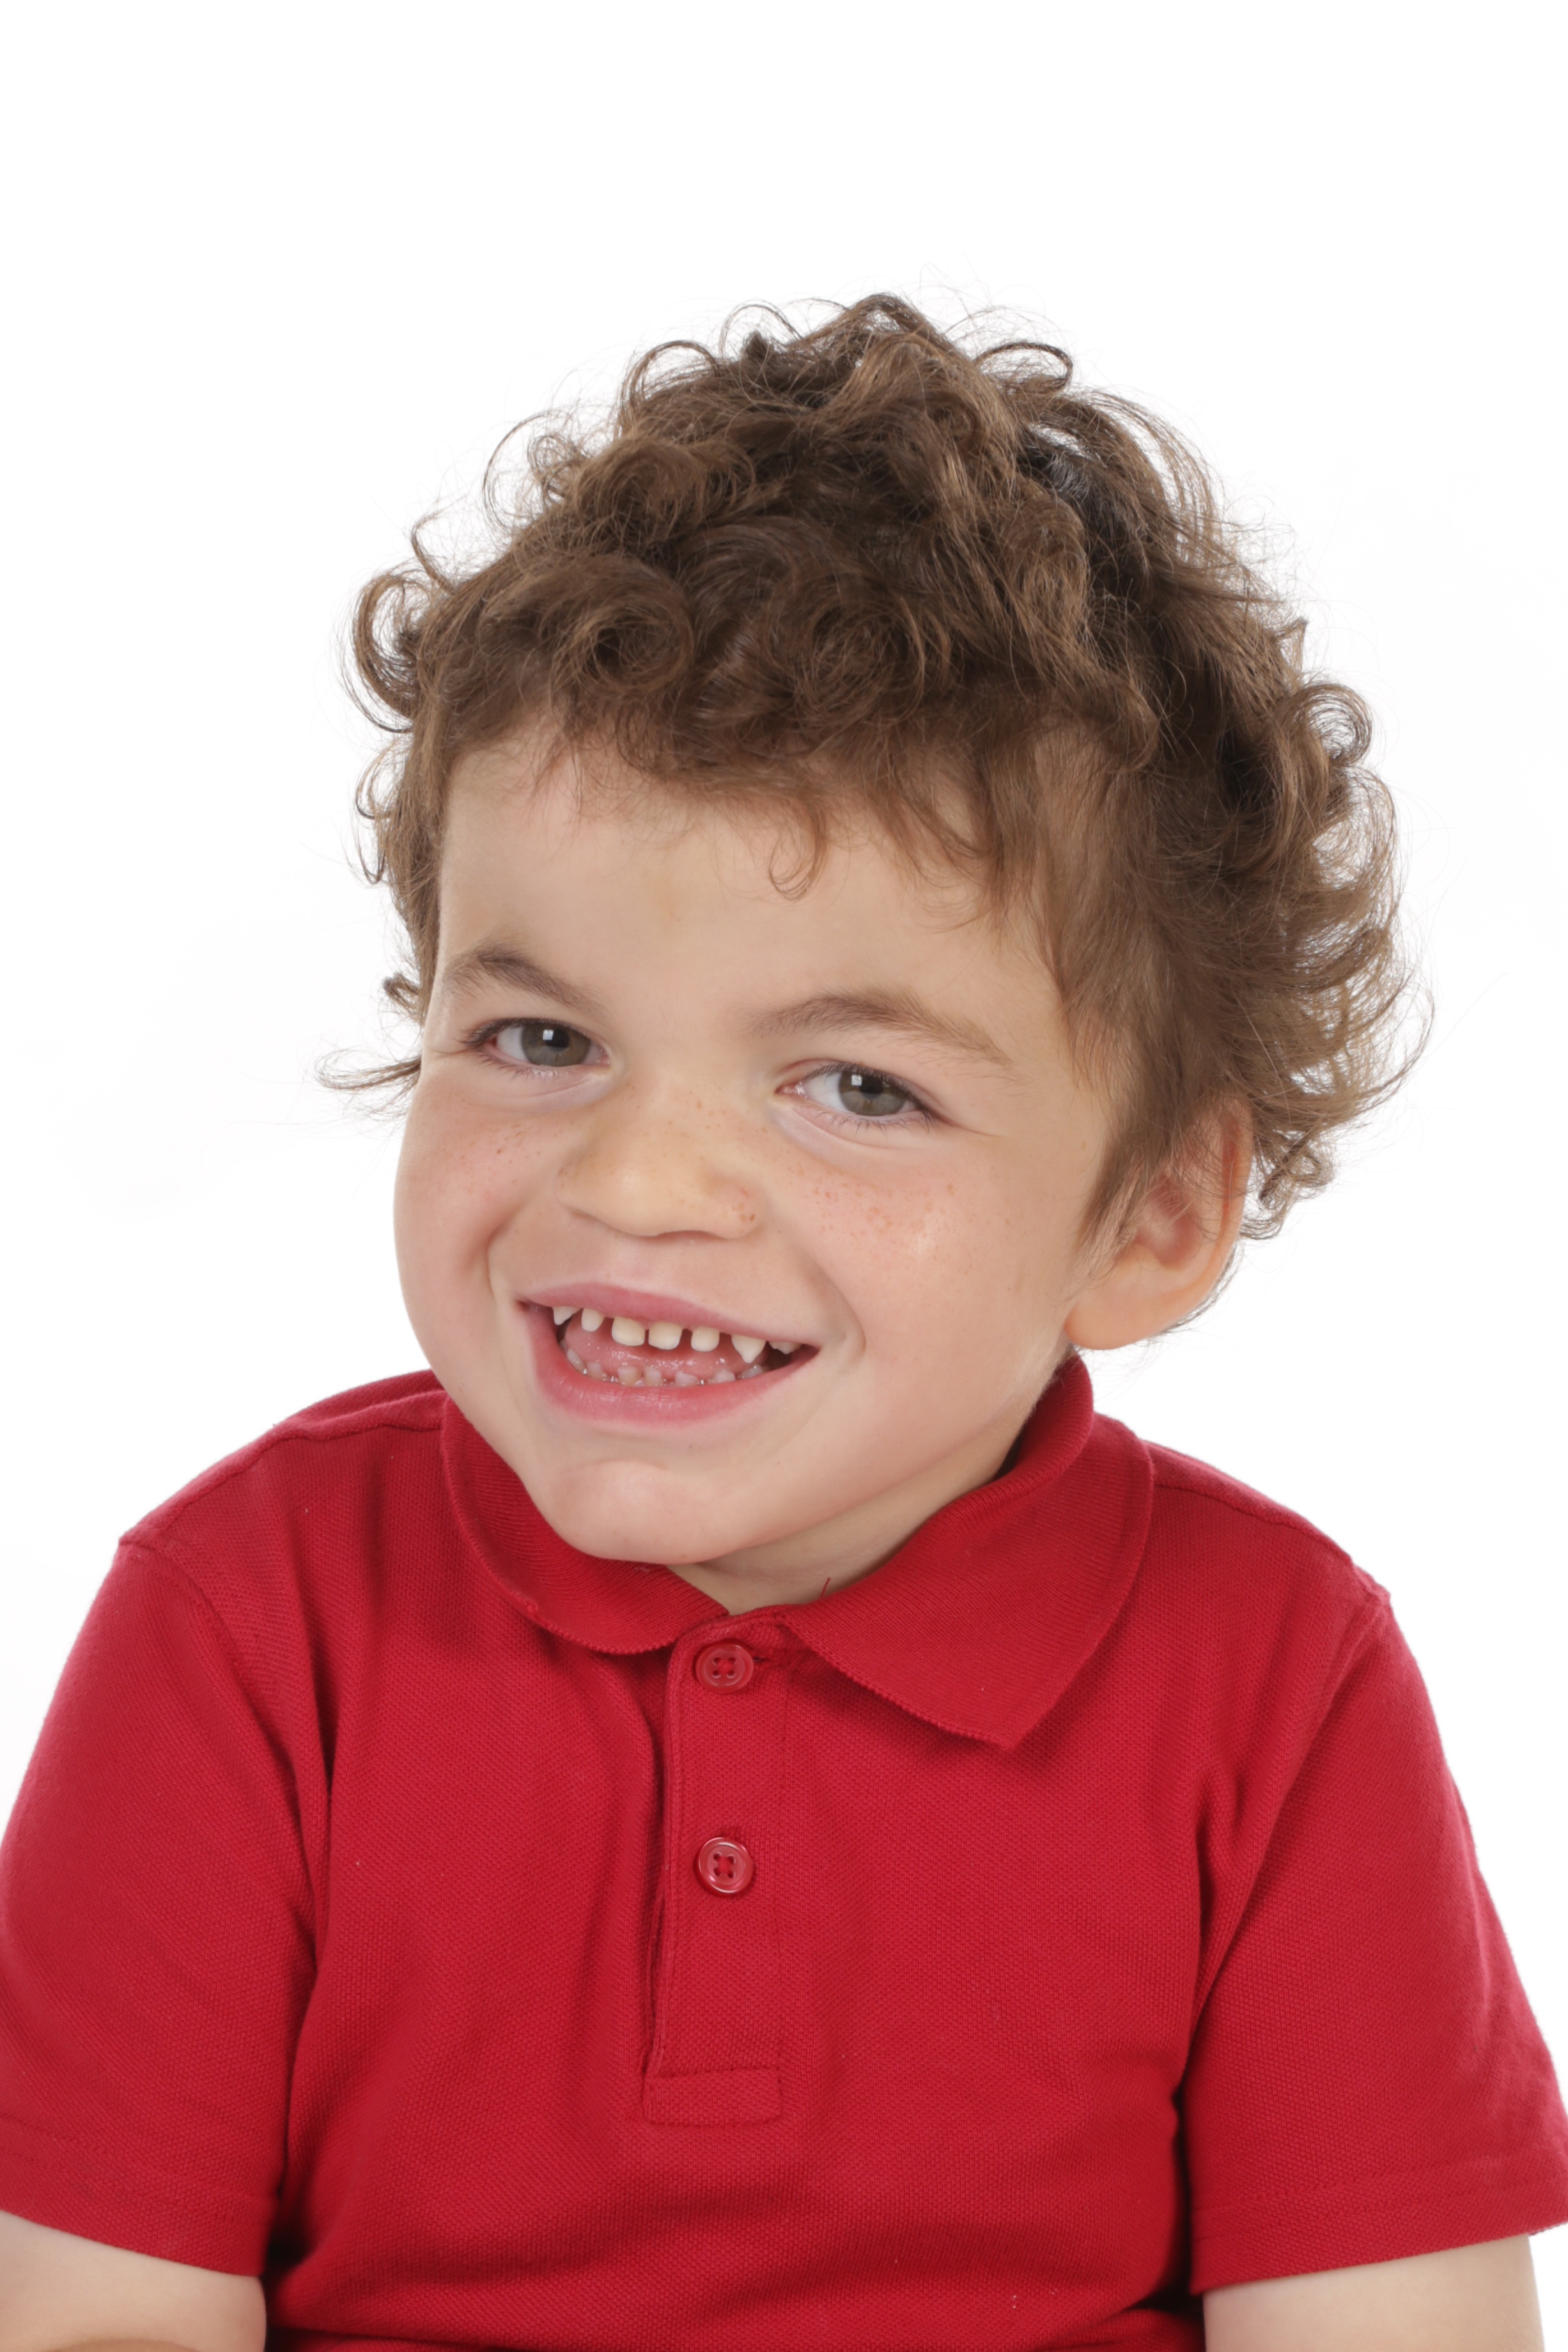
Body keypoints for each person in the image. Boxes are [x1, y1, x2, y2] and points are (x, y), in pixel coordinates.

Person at [0, 297, 1562, 2352]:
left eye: (858, 1087)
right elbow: (96, 2319)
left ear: (1155, 1215)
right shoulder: (247, 1623)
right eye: (542, 1035)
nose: (637, 1185)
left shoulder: (1276, 1687)